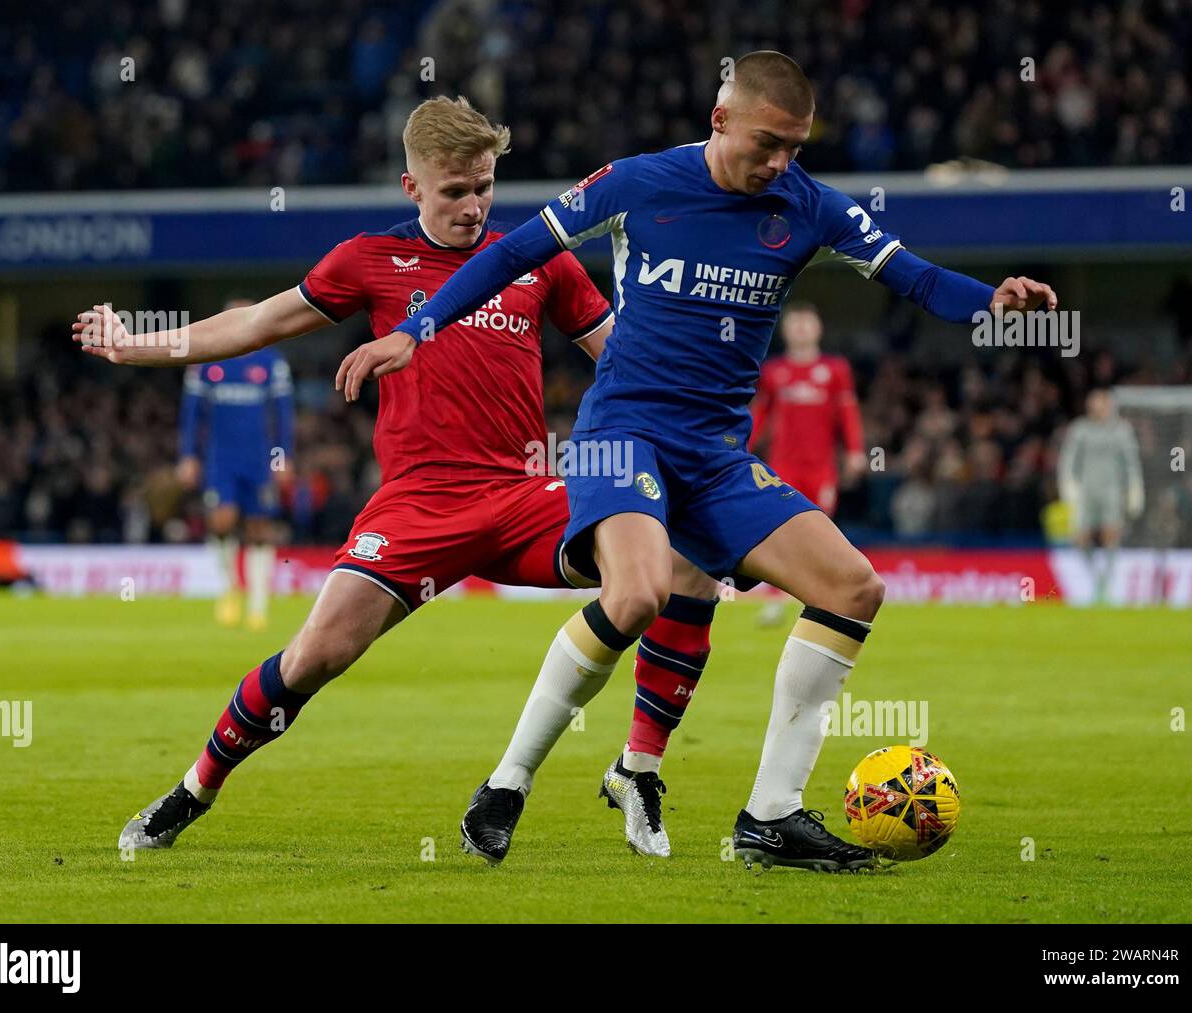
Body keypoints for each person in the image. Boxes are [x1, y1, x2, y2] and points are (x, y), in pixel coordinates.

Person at [343, 51, 1058, 871]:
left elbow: (915, 278)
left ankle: (770, 815)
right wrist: (416, 327)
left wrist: (989, 300)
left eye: (796, 145)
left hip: (715, 455)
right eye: (768, 142)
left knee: (854, 586)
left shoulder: (810, 207)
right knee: (641, 590)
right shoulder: (635, 183)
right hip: (624, 431)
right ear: (720, 120)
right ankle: (507, 782)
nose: (781, 162)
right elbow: (513, 257)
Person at [73, 96, 718, 857]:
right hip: (418, 504)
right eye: (454, 191)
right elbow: (253, 325)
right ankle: (191, 791)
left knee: (686, 563)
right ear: (413, 188)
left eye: (483, 187)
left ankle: (634, 770)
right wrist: (134, 344)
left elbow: (623, 361)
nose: (474, 206)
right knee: (317, 655)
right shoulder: (369, 261)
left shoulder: (539, 259)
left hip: (525, 495)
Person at [177, 297, 295, 630]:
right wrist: (188, 456)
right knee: (221, 521)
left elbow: (283, 417)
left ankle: (259, 605)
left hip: (259, 460)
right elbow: (191, 416)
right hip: (220, 459)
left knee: (260, 528)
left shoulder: (272, 362)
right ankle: (230, 589)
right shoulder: (206, 362)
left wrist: (282, 457)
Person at [750, 301, 865, 626]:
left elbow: (848, 412)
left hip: (821, 468)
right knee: (781, 536)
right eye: (795, 323)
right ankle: (775, 601)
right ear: (785, 330)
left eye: (806, 323)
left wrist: (856, 451)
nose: (801, 329)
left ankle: (820, 597)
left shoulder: (835, 370)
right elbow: (760, 414)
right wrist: (739, 447)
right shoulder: (774, 371)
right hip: (782, 468)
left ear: (818, 328)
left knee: (820, 536)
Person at [1057, 388, 1144, 603]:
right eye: (1093, 403)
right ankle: (1097, 577)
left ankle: (1106, 583)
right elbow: (1068, 460)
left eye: (1101, 404)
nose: (1097, 408)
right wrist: (1068, 484)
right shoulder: (1080, 429)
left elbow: (1131, 461)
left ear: (1109, 405)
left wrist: (1134, 486)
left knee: (1111, 535)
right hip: (1086, 491)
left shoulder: (1122, 430)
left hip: (1112, 491)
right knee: (1081, 537)